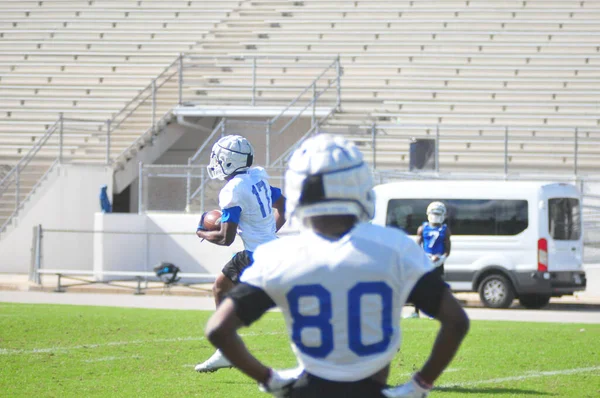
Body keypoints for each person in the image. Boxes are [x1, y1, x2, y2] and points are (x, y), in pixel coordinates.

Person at [204, 134, 469, 397]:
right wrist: (418, 386)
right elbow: (456, 321)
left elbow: (218, 328)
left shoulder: (280, 257)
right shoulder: (395, 248)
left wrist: (271, 380)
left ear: (299, 190)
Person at [195, 134, 286, 373]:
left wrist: (201, 232)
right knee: (222, 286)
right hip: (274, 248)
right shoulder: (257, 177)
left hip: (256, 255)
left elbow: (226, 238)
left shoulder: (232, 190)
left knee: (220, 288)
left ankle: (226, 347)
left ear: (227, 160)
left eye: (218, 157)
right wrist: (268, 232)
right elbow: (283, 205)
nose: (214, 161)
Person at [407, 202, 452, 319]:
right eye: (434, 213)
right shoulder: (422, 228)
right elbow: (417, 248)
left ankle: (435, 312)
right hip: (424, 261)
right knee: (419, 287)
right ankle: (416, 311)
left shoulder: (444, 230)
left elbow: (447, 250)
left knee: (437, 288)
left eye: (438, 213)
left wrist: (440, 258)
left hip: (437, 263)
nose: (436, 216)